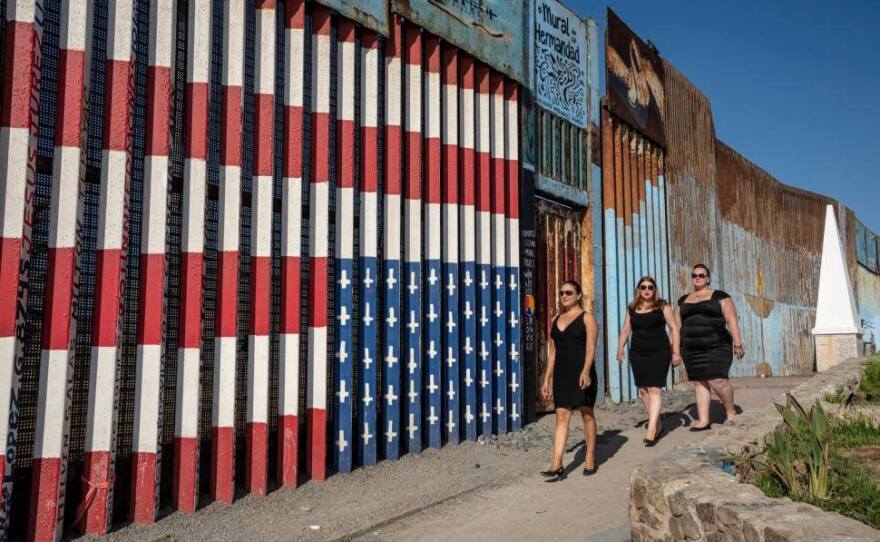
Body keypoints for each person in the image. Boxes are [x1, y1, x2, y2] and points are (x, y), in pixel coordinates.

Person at [540, 280, 599, 482]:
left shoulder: (587, 318)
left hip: (582, 372)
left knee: (587, 414)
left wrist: (586, 371)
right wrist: (546, 380)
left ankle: (590, 455)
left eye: (569, 292)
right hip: (562, 374)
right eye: (561, 293)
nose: (564, 296)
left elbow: (591, 348)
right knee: (561, 416)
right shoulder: (556, 319)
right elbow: (553, 353)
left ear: (579, 295)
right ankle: (556, 464)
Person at [674, 264, 745, 430]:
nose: (697, 278)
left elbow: (731, 319)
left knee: (718, 380)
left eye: (701, 275)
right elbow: (676, 327)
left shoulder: (720, 296)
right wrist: (675, 351)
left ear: (708, 278)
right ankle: (704, 420)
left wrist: (738, 344)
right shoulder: (683, 300)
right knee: (699, 382)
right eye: (694, 275)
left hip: (717, 345)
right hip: (691, 348)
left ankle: (730, 412)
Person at [616, 276, 680, 446]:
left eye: (650, 287)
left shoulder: (662, 306)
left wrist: (676, 352)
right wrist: (620, 347)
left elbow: (674, 328)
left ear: (654, 290)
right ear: (639, 289)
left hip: (659, 352)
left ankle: (651, 429)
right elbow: (625, 330)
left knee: (655, 389)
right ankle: (658, 423)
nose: (646, 290)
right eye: (643, 287)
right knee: (643, 389)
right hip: (638, 353)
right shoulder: (632, 308)